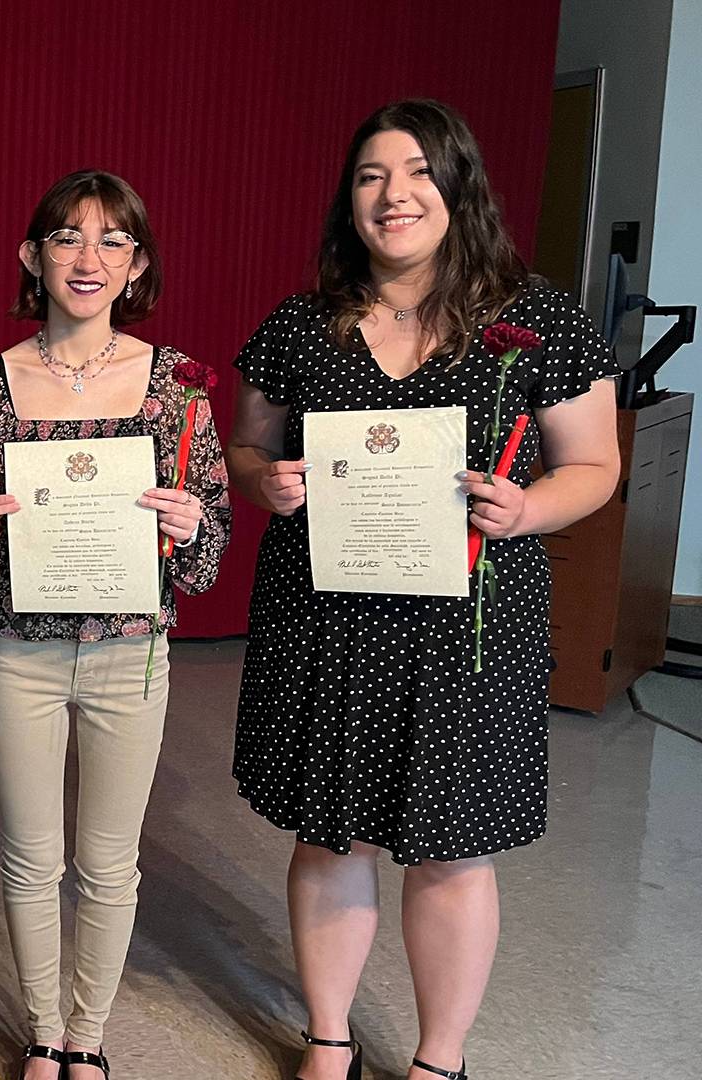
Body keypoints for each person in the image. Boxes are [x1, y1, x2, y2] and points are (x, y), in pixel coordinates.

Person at [226, 100, 621, 1080]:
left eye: (415, 173)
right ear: (348, 202)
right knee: (333, 834)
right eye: (369, 177)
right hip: (326, 618)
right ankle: (328, 1040)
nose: (392, 195)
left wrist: (526, 512)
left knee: (450, 846)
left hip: (470, 629)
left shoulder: (537, 319)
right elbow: (247, 446)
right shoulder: (300, 325)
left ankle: (439, 1060)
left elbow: (596, 464)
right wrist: (262, 479)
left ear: (458, 189)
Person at [0, 171, 231, 1080]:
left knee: (109, 863)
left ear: (136, 263)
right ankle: (41, 1030)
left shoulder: (179, 386)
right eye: (67, 237)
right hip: (21, 651)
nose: (88, 257)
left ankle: (89, 1037)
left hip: (129, 652)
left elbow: (210, 545)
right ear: (33, 256)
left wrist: (190, 527)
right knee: (32, 855)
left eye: (113, 241)